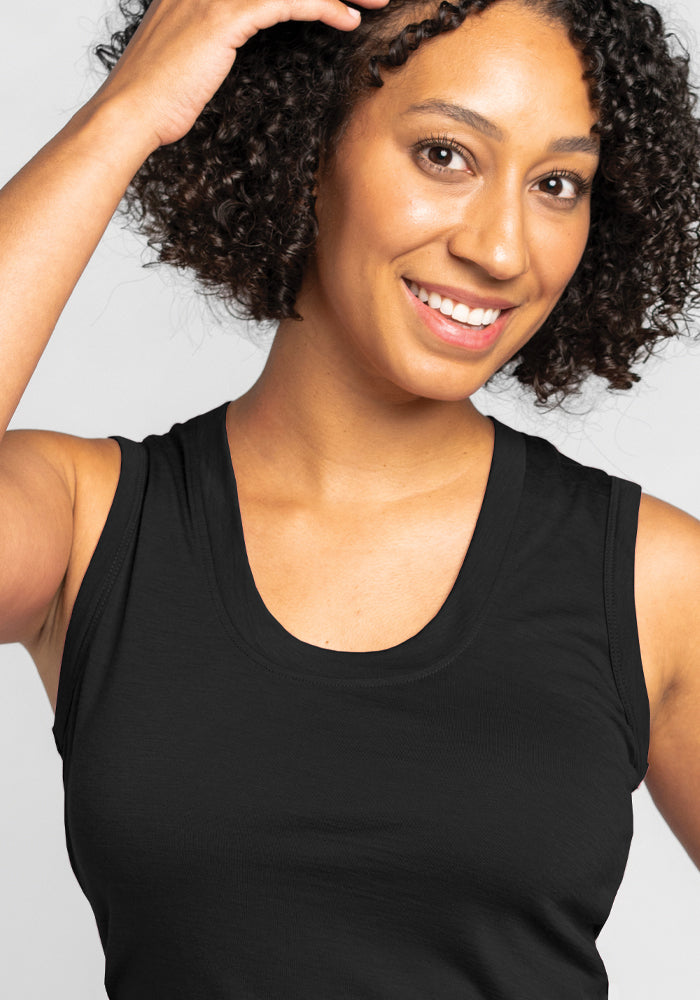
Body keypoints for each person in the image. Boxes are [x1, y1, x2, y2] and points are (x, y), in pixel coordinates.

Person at [1, 0, 699, 996]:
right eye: (446, 155)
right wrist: (129, 113)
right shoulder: (87, 523)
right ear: (304, 144)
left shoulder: (653, 579)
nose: (503, 249)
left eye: (556, 183)